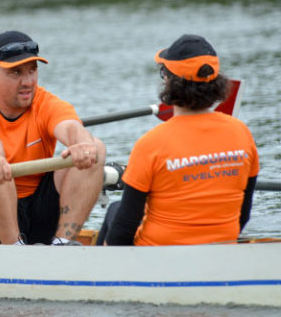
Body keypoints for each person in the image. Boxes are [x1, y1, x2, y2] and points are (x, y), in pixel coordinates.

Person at [0, 30, 106, 245]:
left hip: (35, 214)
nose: (28, 81)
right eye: (16, 72)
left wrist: (82, 144)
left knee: (96, 147)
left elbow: (70, 128)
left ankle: (63, 245)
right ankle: (14, 249)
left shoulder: (44, 101)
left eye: (32, 70)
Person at [103, 34, 259, 245]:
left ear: (169, 81)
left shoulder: (151, 144)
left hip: (160, 256)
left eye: (163, 73)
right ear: (215, 82)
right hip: (223, 248)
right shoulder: (242, 133)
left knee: (115, 210)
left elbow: (123, 228)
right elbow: (243, 215)